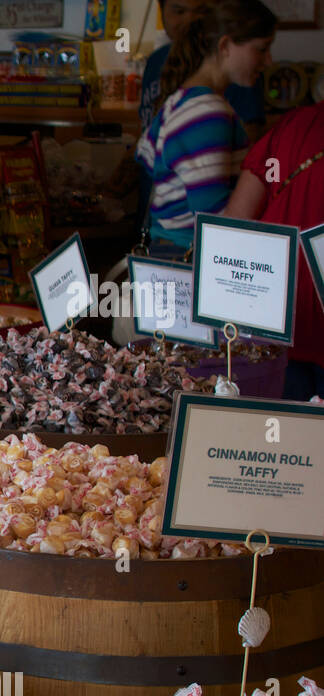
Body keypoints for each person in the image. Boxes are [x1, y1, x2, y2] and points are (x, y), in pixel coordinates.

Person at [135, 0, 276, 256]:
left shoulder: (182, 100)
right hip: (189, 261)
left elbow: (146, 161)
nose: (268, 61)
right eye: (261, 49)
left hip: (172, 252)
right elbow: (216, 225)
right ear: (224, 46)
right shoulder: (207, 112)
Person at [225, 102, 324, 400]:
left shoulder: (294, 124)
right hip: (293, 324)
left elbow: (235, 223)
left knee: (282, 439)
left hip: (274, 320)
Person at [139, 0, 266, 140]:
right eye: (179, 11)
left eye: (202, 11)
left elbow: (251, 134)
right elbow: (147, 132)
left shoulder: (235, 66)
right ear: (162, 10)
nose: (189, 20)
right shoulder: (155, 61)